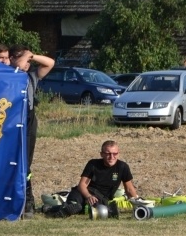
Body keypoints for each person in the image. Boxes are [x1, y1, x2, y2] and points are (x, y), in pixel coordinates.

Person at [9, 45, 55, 218]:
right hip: (11, 121)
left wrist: (32, 56)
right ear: (11, 59)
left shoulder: (30, 77)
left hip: (29, 121)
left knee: (26, 163)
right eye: (25, 60)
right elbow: (17, 66)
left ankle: (27, 198)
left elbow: (50, 63)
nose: (28, 64)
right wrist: (21, 60)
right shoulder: (7, 75)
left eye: (30, 61)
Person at [44, 140, 139, 218]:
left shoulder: (123, 167)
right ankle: (55, 212)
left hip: (100, 198)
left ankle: (50, 209)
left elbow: (129, 189)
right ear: (101, 154)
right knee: (75, 206)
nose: (112, 157)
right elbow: (82, 185)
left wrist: (138, 205)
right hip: (83, 193)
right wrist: (88, 196)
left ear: (118, 154)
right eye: (108, 154)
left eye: (115, 154)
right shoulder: (93, 164)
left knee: (97, 211)